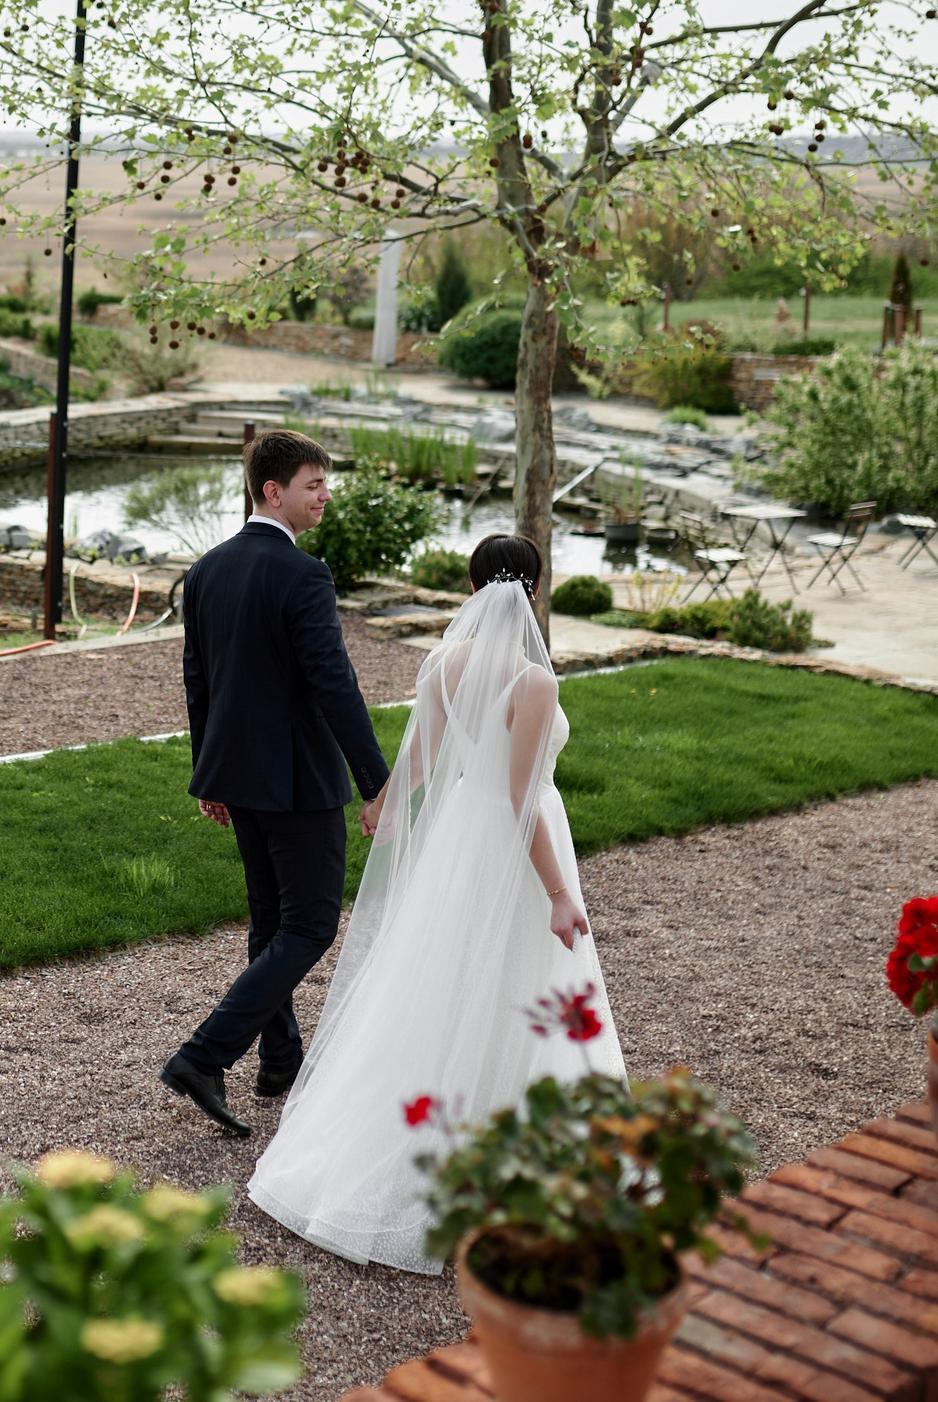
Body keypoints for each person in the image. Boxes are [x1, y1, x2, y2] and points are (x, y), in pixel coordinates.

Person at [247, 533, 622, 1271]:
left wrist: (386, 803)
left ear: (473, 589)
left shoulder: (446, 664)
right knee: (524, 982)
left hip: (459, 837)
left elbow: (419, 755)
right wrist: (556, 893)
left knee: (448, 982)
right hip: (518, 845)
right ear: (534, 592)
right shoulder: (533, 683)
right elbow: (522, 798)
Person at [161, 428, 393, 1139]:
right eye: (313, 484)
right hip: (296, 781)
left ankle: (280, 1061)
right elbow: (334, 683)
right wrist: (376, 782)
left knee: (272, 924)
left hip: (240, 774)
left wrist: (211, 770)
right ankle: (203, 1055)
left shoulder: (206, 571)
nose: (325, 495)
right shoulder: (303, 575)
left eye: (325, 483)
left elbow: (198, 683)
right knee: (311, 924)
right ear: (274, 491)